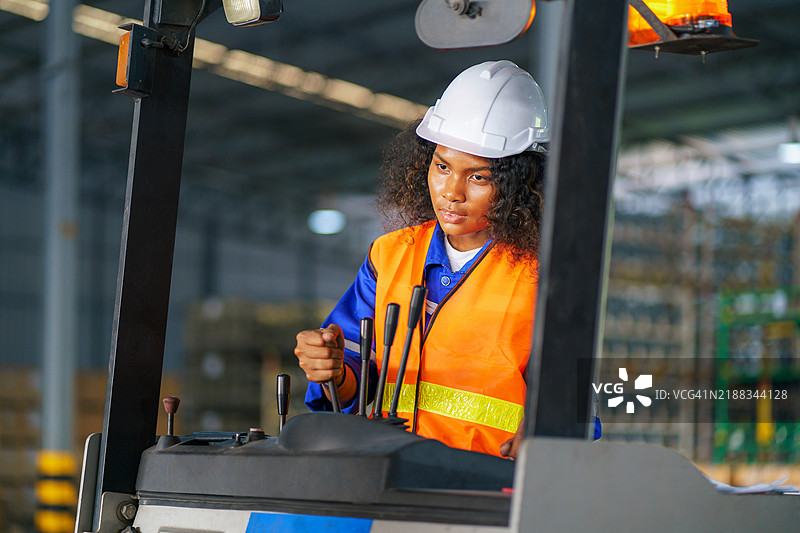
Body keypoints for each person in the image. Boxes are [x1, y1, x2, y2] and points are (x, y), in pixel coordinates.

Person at [295, 60, 599, 459]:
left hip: (490, 489)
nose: (451, 192)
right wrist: (331, 369)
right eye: (442, 167)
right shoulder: (389, 256)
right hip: (390, 472)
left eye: (479, 177)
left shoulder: (546, 273)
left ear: (521, 185)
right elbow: (353, 372)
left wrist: (549, 434)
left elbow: (576, 402)